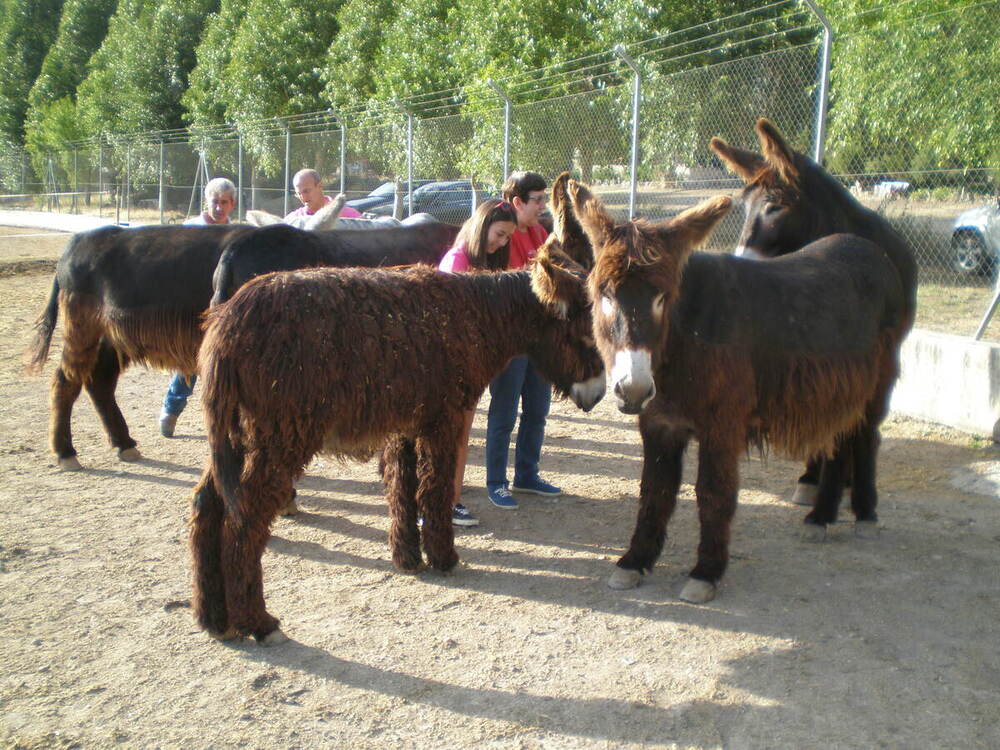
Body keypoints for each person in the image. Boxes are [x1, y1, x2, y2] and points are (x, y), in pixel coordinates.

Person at [438, 199, 519, 526]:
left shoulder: (481, 261)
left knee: (460, 435)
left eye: (506, 238)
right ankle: (444, 503)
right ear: (483, 224)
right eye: (499, 234)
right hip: (451, 365)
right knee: (451, 436)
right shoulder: (458, 260)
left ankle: (449, 500)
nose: (501, 242)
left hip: (469, 364)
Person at [485, 171, 561, 510]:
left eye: (545, 198)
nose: (543, 206)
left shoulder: (540, 232)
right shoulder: (503, 235)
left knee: (537, 410)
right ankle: (496, 482)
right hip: (511, 341)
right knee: (504, 413)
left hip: (538, 339)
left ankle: (527, 475)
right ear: (517, 202)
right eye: (538, 200)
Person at [158, 178, 237, 437]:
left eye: (224, 202)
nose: (219, 207)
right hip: (192, 307)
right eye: (215, 201)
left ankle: (228, 422)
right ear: (207, 202)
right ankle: (171, 410)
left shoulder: (236, 235)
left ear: (232, 204)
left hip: (223, 309)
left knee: (224, 365)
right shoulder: (191, 228)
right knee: (189, 361)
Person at [285, 168, 363, 221]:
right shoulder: (293, 220)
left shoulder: (350, 216)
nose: (303, 197)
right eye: (299, 193)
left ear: (320, 186)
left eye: (306, 191)